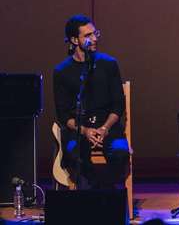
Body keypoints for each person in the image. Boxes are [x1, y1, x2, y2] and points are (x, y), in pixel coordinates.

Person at [53, 14, 130, 189]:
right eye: (88, 36)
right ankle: (90, 198)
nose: (94, 39)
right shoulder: (62, 72)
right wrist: (86, 131)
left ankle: (108, 198)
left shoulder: (109, 64)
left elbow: (118, 105)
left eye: (95, 34)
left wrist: (104, 128)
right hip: (79, 131)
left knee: (120, 152)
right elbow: (63, 115)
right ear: (74, 40)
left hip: (108, 128)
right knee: (74, 154)